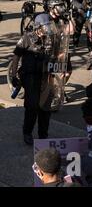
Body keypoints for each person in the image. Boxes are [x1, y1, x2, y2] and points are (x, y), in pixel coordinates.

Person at [10, 14, 54, 144]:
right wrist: (13, 75)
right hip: (30, 77)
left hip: (45, 76)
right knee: (32, 107)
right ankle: (27, 132)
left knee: (45, 107)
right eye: (45, 27)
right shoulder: (27, 38)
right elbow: (16, 56)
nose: (48, 30)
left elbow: (56, 54)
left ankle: (43, 135)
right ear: (38, 27)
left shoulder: (50, 39)